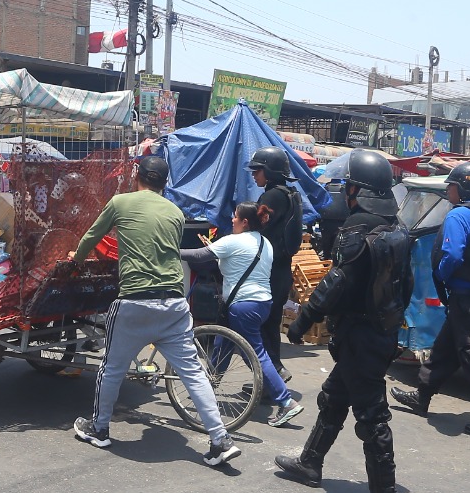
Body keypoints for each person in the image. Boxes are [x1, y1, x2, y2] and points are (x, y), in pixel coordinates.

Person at [69, 155, 242, 467]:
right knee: (192, 372)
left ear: (138, 175)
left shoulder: (121, 202)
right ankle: (220, 439)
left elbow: (92, 236)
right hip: (174, 304)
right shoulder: (176, 213)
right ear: (165, 182)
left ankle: (99, 427)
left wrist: (77, 258)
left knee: (111, 368)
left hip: (135, 301)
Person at [276, 150, 414, 493]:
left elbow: (334, 285)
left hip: (360, 336)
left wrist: (302, 321)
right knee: (334, 397)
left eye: (349, 185)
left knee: (372, 417)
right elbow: (407, 287)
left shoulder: (357, 230)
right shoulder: (397, 228)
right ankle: (310, 462)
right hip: (379, 331)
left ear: (357, 189)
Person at [391, 161, 470, 441]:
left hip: (467, 295)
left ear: (463, 189)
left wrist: (441, 275)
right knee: (445, 348)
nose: (448, 190)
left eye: (452, 186)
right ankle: (422, 396)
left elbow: (452, 256)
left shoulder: (459, 216)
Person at [181, 202, 302, 427]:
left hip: (243, 305)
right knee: (223, 343)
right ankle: (208, 387)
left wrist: (171, 251)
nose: (232, 220)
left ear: (245, 221)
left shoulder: (233, 241)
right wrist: (216, 251)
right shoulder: (264, 242)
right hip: (261, 303)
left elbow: (198, 256)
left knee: (255, 354)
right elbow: (237, 264)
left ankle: (286, 402)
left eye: (235, 217)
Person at [249, 146, 304, 381]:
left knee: (262, 329)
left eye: (258, 170)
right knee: (269, 328)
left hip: (270, 273)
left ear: (269, 171)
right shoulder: (290, 193)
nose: (254, 175)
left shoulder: (272, 196)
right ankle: (272, 379)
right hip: (281, 271)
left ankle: (275, 374)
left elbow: (257, 228)